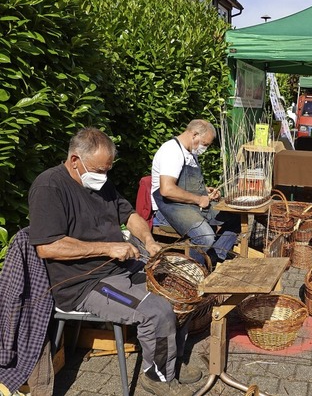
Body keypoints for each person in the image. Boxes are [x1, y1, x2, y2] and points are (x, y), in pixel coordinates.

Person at [28, 128, 198, 396]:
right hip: (84, 283)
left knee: (180, 293)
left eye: (107, 170)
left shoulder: (100, 181)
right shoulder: (49, 187)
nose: (104, 177)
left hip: (119, 269)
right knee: (157, 309)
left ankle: (170, 362)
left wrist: (149, 241)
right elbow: (48, 247)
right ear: (75, 160)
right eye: (99, 170)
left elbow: (129, 215)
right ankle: (157, 377)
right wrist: (108, 247)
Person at [151, 119, 240, 267]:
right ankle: (193, 273)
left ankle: (213, 258)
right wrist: (199, 199)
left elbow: (183, 183)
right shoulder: (171, 152)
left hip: (188, 203)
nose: (204, 148)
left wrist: (205, 190)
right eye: (205, 144)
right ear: (194, 134)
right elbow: (167, 189)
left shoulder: (190, 152)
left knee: (234, 219)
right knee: (205, 237)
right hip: (168, 207)